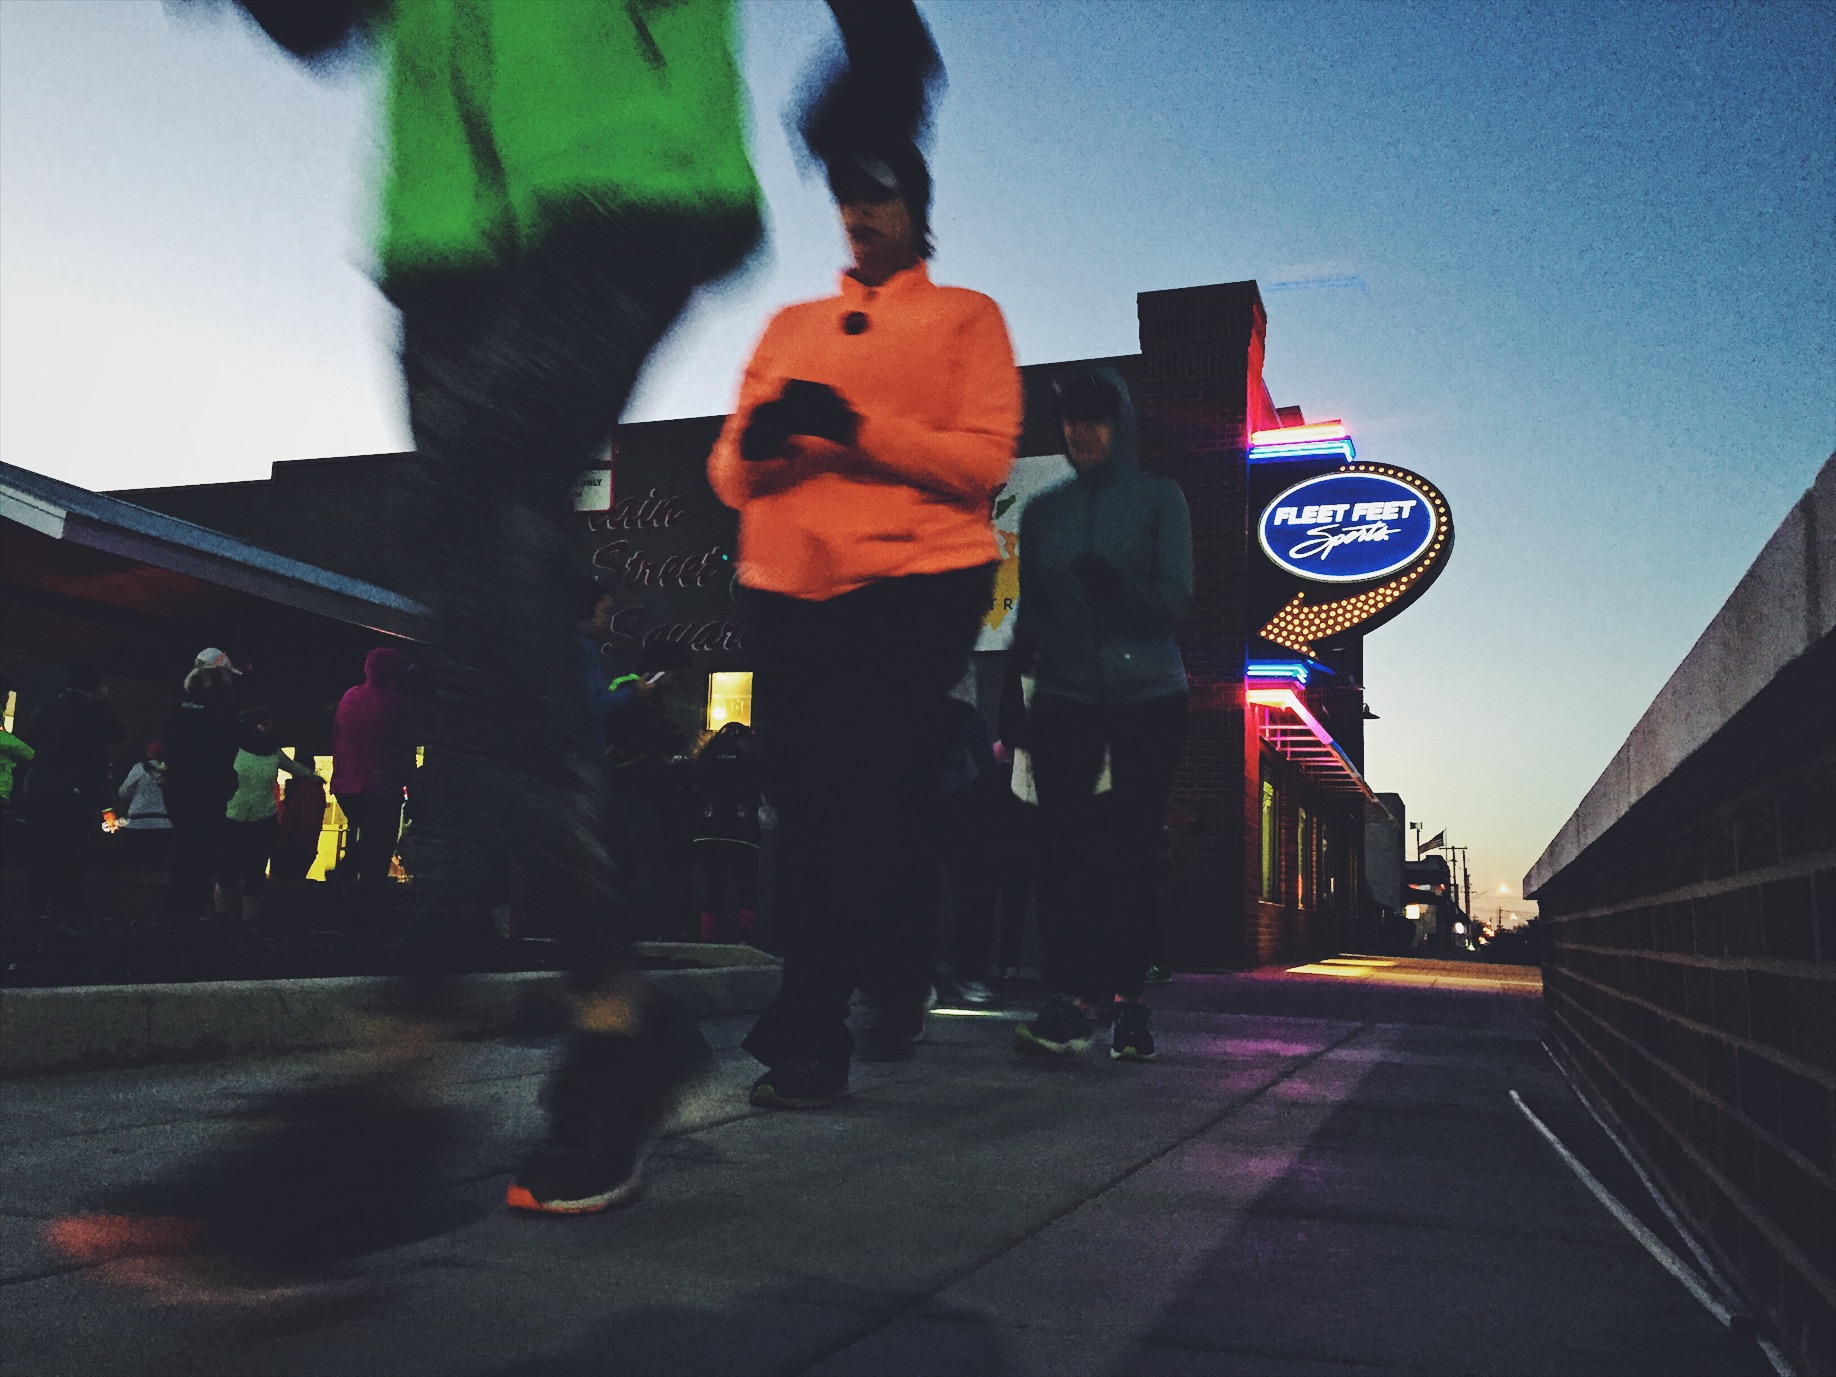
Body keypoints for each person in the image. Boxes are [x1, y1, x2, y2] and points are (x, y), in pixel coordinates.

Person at [709, 6, 1022, 1109]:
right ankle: (889, 971)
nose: (860, 213)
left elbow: (980, 463)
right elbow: (727, 475)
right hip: (789, 587)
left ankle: (811, 1027)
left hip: (916, 581)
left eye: (881, 195)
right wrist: (765, 441)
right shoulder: (791, 325)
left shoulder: (968, 319)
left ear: (919, 207)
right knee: (811, 805)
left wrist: (853, 429)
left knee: (870, 795)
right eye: (847, 197)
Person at [1007, 370, 1192, 1063]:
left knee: (1132, 848)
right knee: (1059, 848)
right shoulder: (1043, 513)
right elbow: (1031, 611)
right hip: (1065, 694)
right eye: (1070, 420)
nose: (1080, 432)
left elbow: (1176, 600)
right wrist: (1016, 695)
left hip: (1149, 694)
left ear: (1121, 425)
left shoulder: (1159, 499)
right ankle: (1069, 997)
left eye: (1095, 418)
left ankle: (1130, 1000)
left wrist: (1120, 590)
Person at [23, 664, 124, 921]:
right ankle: (68, 905)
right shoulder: (91, 712)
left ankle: (35, 904)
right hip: (73, 790)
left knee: (41, 848)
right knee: (72, 849)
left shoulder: (45, 709)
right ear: (95, 687)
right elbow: (116, 733)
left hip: (39, 787)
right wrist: (104, 702)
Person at [330, 646, 416, 911]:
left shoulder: (350, 696)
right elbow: (403, 750)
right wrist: (412, 785)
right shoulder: (400, 704)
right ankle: (365, 907)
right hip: (381, 787)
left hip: (346, 786)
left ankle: (347, 880)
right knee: (381, 844)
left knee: (373, 837)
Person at [217, 707, 320, 923]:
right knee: (237, 871)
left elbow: (294, 768)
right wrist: (312, 776)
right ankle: (242, 919)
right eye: (264, 724)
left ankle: (226, 916)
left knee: (246, 872)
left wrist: (311, 776)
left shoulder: (240, 749)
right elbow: (295, 768)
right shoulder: (269, 751)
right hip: (256, 817)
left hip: (241, 816)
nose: (268, 728)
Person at [159, 650, 241, 922]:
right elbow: (227, 747)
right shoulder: (222, 707)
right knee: (203, 850)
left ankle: (174, 908)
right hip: (208, 788)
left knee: (183, 845)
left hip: (179, 786)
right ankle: (192, 908)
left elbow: (169, 742)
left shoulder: (181, 705)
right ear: (220, 674)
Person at [690, 721, 762, 944]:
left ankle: (707, 940)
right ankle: (745, 938)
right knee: (746, 886)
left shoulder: (705, 760)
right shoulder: (751, 762)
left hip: (709, 833)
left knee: (715, 889)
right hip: (742, 835)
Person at [115, 740, 175, 871]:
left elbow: (123, 793)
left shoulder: (139, 768)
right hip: (163, 824)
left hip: (137, 823)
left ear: (149, 752)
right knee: (157, 867)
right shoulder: (171, 770)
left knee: (133, 867)